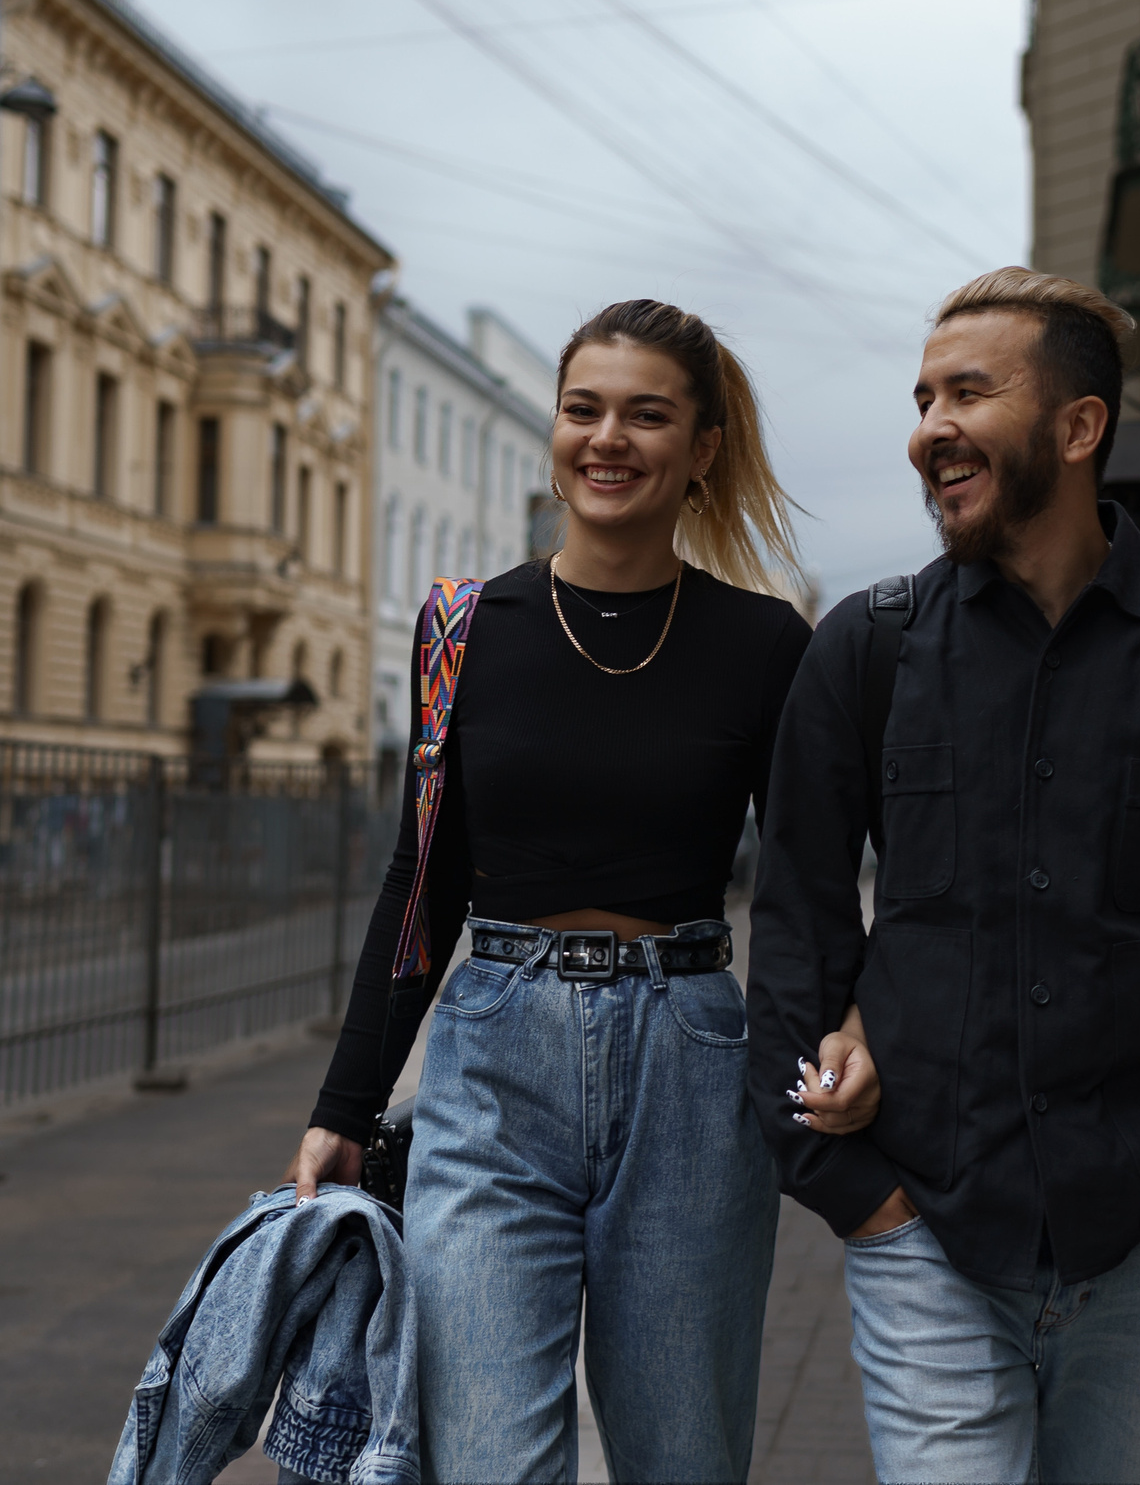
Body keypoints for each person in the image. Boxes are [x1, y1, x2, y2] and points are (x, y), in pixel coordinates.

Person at [749, 267, 1140, 1484]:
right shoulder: (866, 649)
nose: (929, 427)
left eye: (970, 390)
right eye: (922, 396)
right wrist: (849, 1186)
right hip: (922, 1232)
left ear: (1079, 428)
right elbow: (797, 925)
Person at [286, 299, 813, 1485]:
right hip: (490, 1067)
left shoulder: (764, 643)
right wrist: (344, 1103)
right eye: (583, 409)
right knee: (486, 1464)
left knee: (681, 1456)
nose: (607, 438)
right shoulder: (461, 631)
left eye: (646, 414)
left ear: (703, 449)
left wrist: (820, 1059)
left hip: (689, 1058)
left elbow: (806, 889)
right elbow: (423, 877)